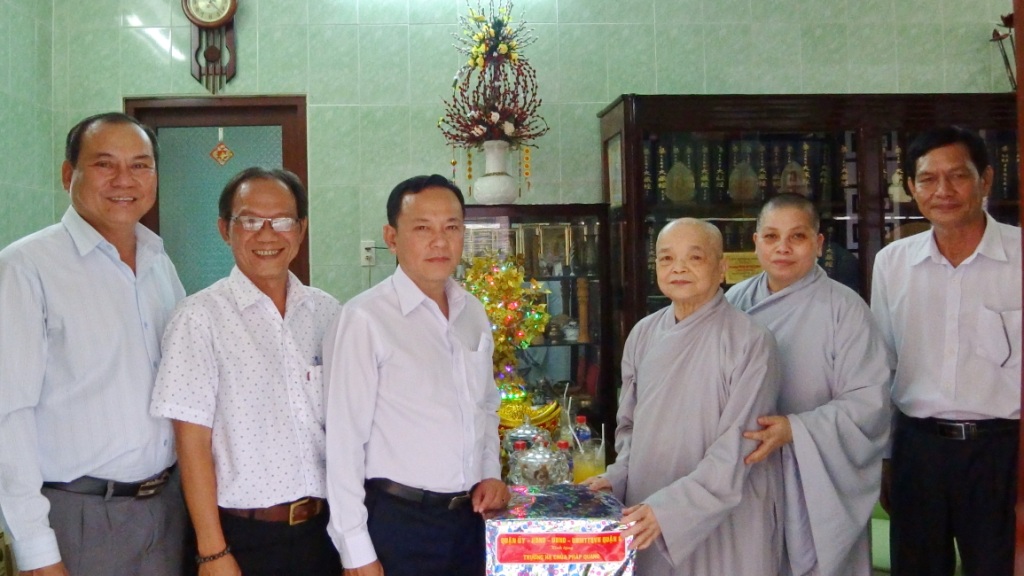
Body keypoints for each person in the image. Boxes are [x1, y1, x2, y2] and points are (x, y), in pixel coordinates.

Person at [0, 113, 187, 575]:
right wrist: (37, 551)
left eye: (140, 165)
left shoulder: (159, 263)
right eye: (105, 164)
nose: (125, 180)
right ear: (69, 175)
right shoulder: (26, 267)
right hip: (79, 518)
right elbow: (8, 415)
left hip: (167, 509)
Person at [150, 167, 343, 575]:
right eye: (250, 221)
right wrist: (212, 551)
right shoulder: (199, 318)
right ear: (225, 229)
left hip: (324, 533)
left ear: (301, 229)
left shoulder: (327, 312)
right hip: (242, 538)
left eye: (282, 220)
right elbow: (191, 445)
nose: (267, 235)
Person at [323, 174, 509, 576]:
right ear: (391, 238)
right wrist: (356, 551)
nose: (440, 242)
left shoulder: (473, 312)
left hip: (469, 521)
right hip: (399, 524)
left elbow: (486, 406)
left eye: (451, 228)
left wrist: (490, 474)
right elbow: (343, 441)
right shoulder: (364, 319)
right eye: (423, 228)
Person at [584, 218, 783, 575]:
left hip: (724, 516)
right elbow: (629, 427)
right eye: (666, 258)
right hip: (647, 507)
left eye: (694, 257)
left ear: (721, 267)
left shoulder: (750, 340)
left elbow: (739, 447)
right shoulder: (643, 334)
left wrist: (670, 511)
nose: (678, 268)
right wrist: (618, 476)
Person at [871, 126, 1020, 576]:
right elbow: (882, 366)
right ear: (911, 188)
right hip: (917, 452)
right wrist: (886, 457)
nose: (943, 191)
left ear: (985, 179)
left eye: (958, 176)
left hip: (1004, 453)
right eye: (928, 179)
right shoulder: (892, 263)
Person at [726, 194, 891, 576]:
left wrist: (795, 429)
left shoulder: (845, 309)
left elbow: (868, 404)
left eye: (797, 237)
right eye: (771, 237)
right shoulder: (734, 301)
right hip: (750, 469)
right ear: (756, 243)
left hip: (819, 475)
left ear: (818, 244)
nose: (782, 248)